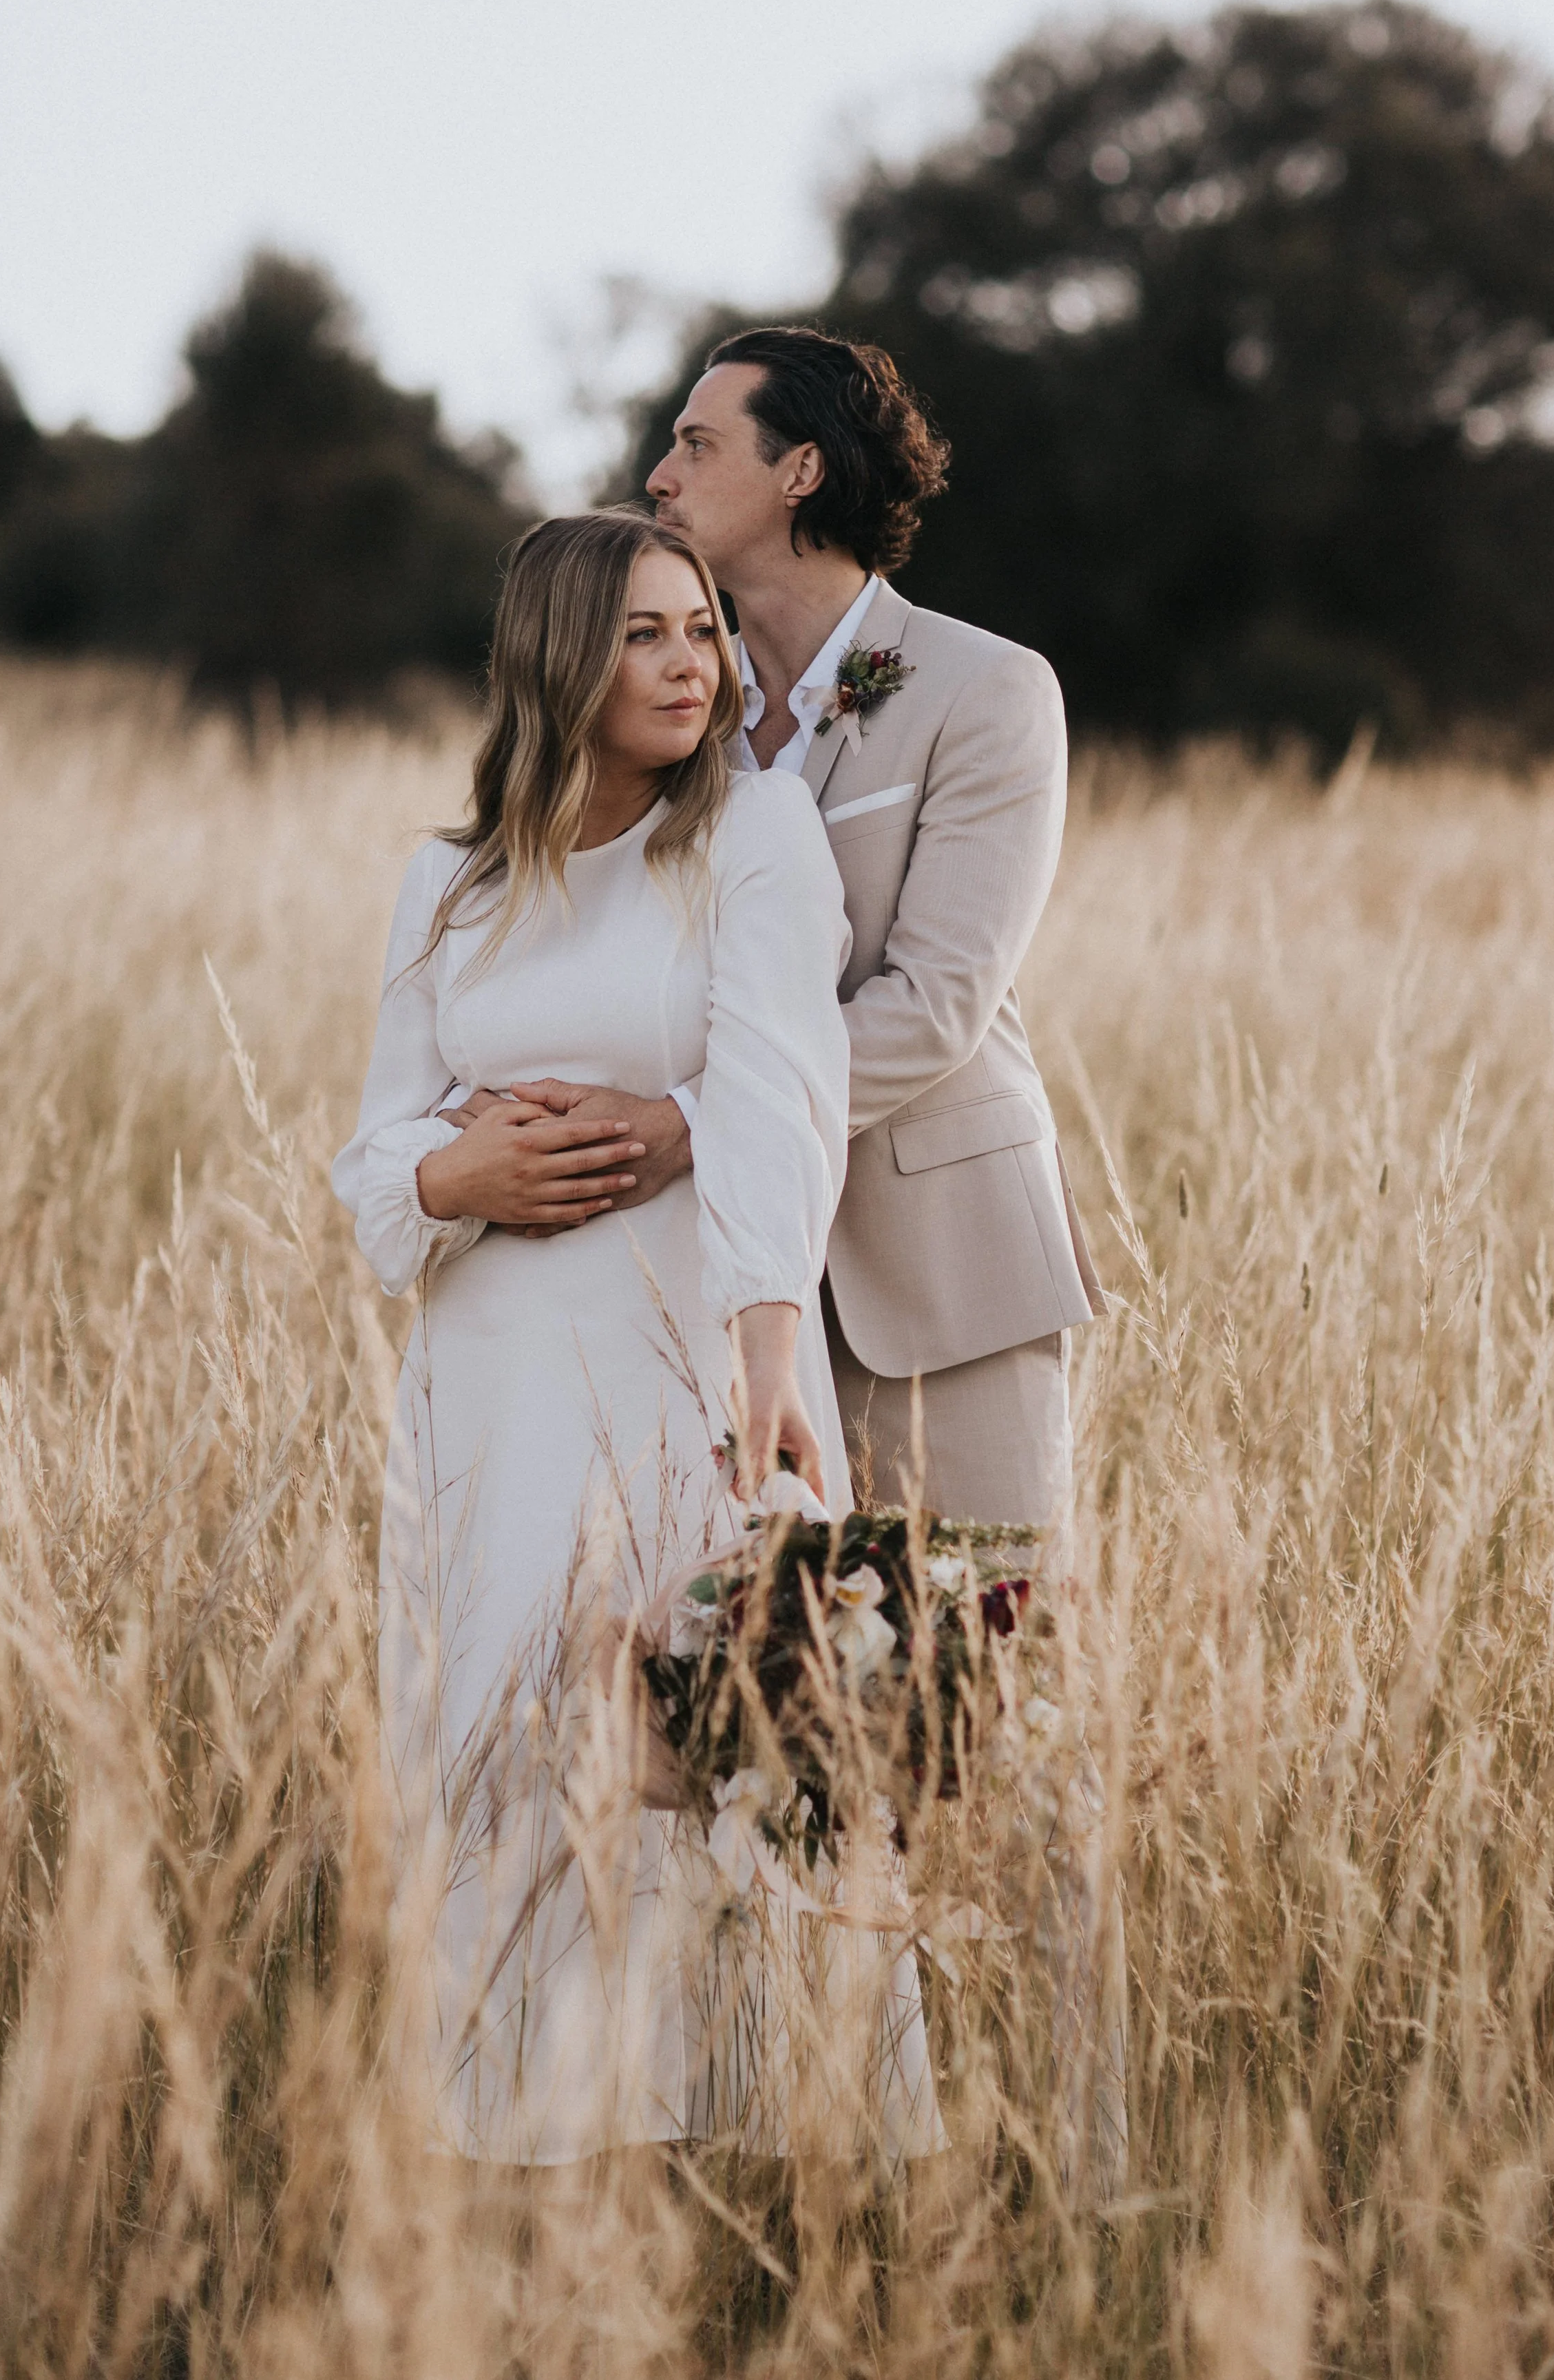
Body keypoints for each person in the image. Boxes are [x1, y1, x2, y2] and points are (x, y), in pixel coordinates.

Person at [333, 508, 938, 2165]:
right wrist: (464, 1168)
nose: (691, 665)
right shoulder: (447, 884)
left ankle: (757, 2137)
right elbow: (378, 1161)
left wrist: (761, 1348)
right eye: (644, 637)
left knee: (715, 1722)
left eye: (701, 630)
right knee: (504, 1738)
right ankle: (523, 2140)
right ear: (556, 659)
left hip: (687, 1349)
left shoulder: (748, 835)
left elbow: (773, 1091)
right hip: (490, 1376)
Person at [452, 328, 1106, 1544]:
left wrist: (685, 1126)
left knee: (970, 1670)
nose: (659, 475)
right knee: (760, 1692)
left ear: (801, 470)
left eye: (697, 444)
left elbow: (937, 1005)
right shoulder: (674, 703)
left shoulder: (988, 690)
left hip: (936, 1279)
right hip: (713, 1294)